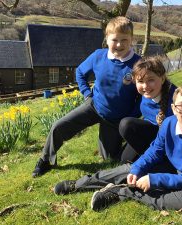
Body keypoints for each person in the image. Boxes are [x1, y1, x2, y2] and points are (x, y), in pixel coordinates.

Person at [54, 83, 182, 211]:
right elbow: (154, 151)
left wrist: (154, 179)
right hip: (173, 168)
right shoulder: (169, 123)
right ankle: (80, 184)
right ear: (174, 109)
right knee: (132, 168)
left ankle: (123, 193)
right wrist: (138, 169)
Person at [32, 16, 141, 177]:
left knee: (110, 159)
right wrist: (86, 94)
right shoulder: (98, 56)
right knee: (58, 127)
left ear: (132, 39)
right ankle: (45, 160)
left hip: (115, 119)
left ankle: (117, 143)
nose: (119, 44)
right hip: (94, 106)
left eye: (124, 39)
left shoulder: (139, 64)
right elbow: (80, 72)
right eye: (114, 39)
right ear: (107, 39)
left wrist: (131, 115)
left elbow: (144, 96)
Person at [118, 56, 176, 163]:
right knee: (124, 160)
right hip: (152, 131)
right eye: (140, 81)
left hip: (169, 141)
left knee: (126, 124)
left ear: (162, 78)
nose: (145, 86)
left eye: (151, 80)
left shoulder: (177, 100)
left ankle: (157, 162)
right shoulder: (147, 95)